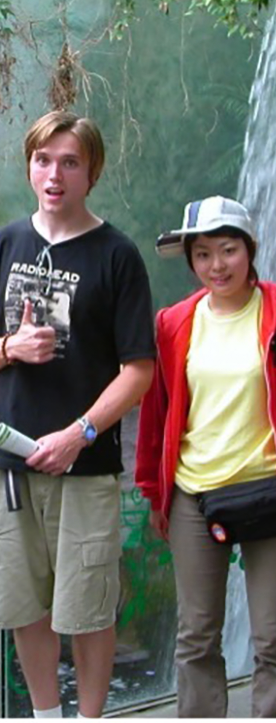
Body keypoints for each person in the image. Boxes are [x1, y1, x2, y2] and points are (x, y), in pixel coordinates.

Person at [0, 111, 156, 718]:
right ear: (29, 166)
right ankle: (46, 713)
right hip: (11, 466)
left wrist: (81, 432)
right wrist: (10, 348)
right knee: (23, 605)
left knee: (88, 608)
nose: (55, 174)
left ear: (91, 172)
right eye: (44, 160)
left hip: (86, 464)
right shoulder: (3, 246)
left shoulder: (117, 255)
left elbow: (140, 371)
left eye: (70, 162)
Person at [136, 196, 276, 718]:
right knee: (196, 635)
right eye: (203, 254)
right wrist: (154, 492)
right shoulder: (174, 323)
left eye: (228, 250)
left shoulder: (274, 310)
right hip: (196, 495)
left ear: (250, 250)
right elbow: (156, 413)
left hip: (269, 488)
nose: (217, 266)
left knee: (272, 636)